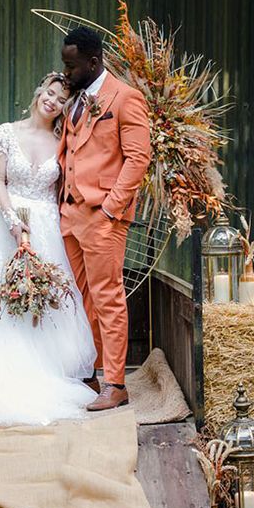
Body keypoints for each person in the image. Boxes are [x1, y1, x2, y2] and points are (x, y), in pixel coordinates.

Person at [0, 73, 97, 439]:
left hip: (47, 230)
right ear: (39, 91)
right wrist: (13, 221)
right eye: (50, 92)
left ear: (64, 107)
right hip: (5, 228)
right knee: (6, 304)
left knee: (43, 303)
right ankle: (4, 376)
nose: (52, 101)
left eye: (61, 99)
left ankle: (42, 375)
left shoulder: (62, 142)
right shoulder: (6, 132)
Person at [59, 27, 151, 411]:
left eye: (71, 64)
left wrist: (112, 208)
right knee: (82, 301)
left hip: (102, 216)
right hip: (69, 215)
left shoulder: (126, 99)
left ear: (93, 62)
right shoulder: (75, 101)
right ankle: (93, 373)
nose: (65, 71)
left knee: (108, 298)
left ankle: (116, 383)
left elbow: (138, 158)